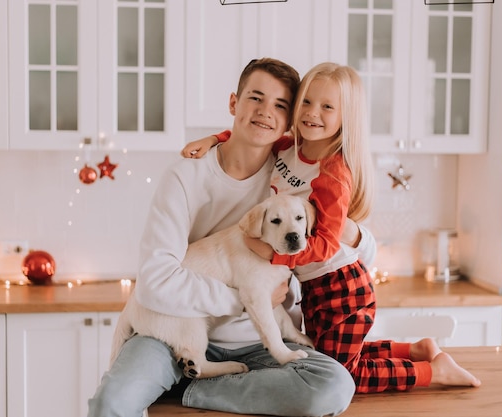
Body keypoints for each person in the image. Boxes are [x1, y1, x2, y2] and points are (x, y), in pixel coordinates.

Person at [183, 62, 481, 393]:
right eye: (307, 102)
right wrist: (215, 138)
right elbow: (251, 138)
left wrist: (273, 254)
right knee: (328, 356)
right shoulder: (289, 147)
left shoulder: (333, 175)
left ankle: (433, 373)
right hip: (314, 285)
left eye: (327, 107)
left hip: (341, 284)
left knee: (344, 375)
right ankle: (413, 351)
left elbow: (324, 245)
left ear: (345, 117)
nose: (313, 113)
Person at [87, 58, 355, 417]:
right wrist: (245, 298)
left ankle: (194, 388)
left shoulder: (294, 176)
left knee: (333, 387)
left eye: (280, 105)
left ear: (290, 119)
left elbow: (339, 234)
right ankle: (183, 371)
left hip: (256, 341)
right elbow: (154, 283)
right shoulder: (184, 176)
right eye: (255, 99)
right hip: (170, 329)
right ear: (234, 103)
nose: (265, 112)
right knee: (111, 402)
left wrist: (359, 237)